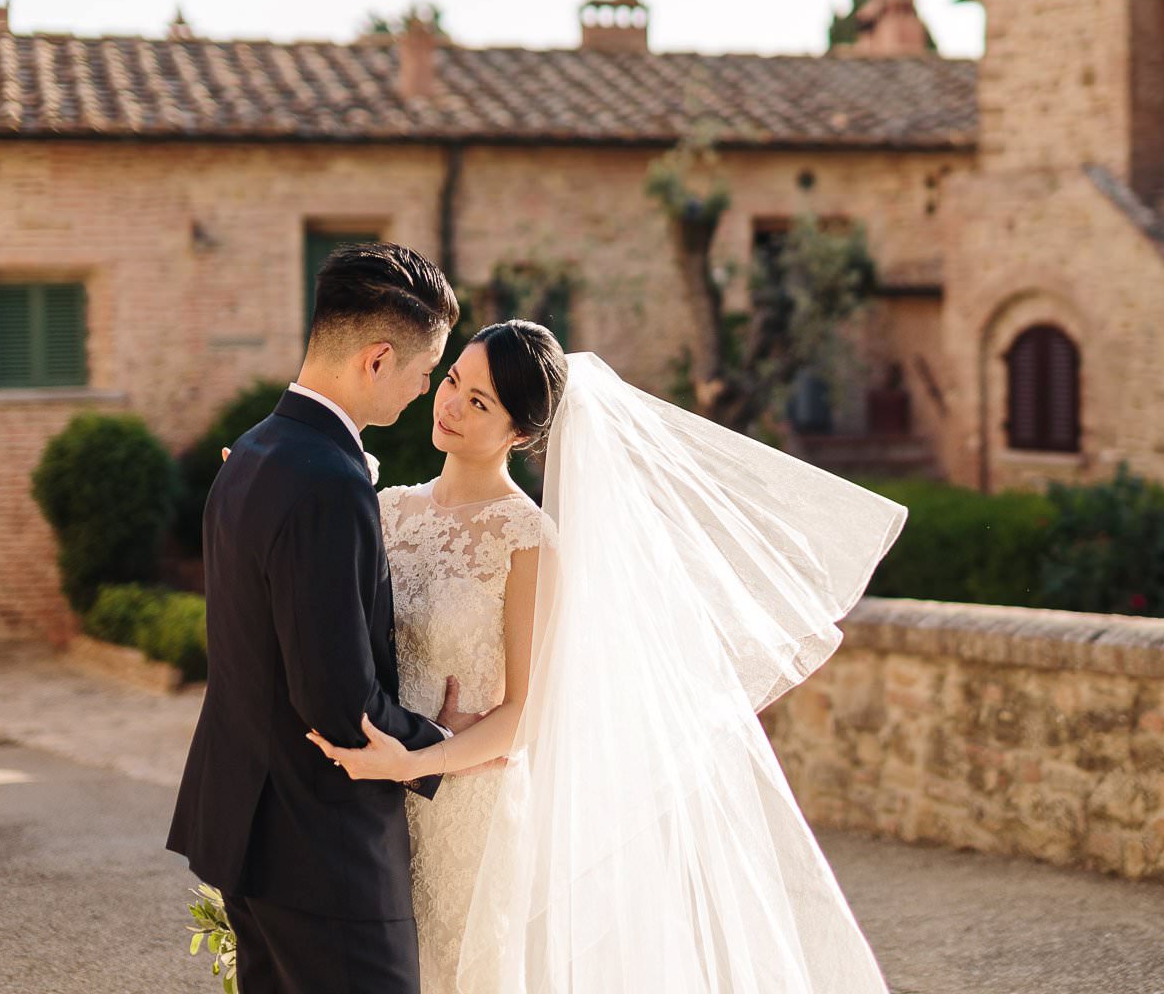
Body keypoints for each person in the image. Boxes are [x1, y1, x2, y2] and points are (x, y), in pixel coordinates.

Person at [309, 324, 909, 994]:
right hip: (374, 796)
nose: (450, 406)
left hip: (463, 808)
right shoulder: (387, 509)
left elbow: (527, 712)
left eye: (479, 403)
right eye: (452, 382)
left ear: (520, 433)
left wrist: (420, 760)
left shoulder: (527, 539)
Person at [167, 241, 482, 994]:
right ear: (377, 359)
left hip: (249, 828)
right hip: (323, 853)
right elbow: (340, 705)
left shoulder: (251, 451)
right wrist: (443, 745)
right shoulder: (330, 483)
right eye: (425, 370)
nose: (426, 390)